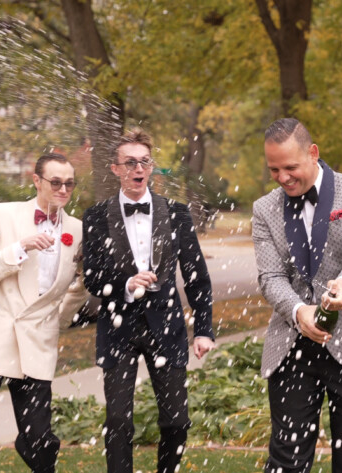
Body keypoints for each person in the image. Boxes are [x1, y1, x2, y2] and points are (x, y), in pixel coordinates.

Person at [253, 118, 342, 473]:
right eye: (274, 169)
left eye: (290, 167)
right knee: (286, 461)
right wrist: (298, 311)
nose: (283, 178)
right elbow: (270, 277)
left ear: (313, 153)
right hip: (291, 347)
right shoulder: (264, 209)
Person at [0, 153, 88, 473]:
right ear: (36, 180)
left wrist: (58, 319)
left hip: (38, 344)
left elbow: (83, 284)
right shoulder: (2, 214)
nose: (63, 189)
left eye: (69, 184)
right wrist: (20, 247)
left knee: (41, 441)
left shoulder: (78, 230)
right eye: (56, 182)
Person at [82, 128, 215, 473]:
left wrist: (203, 329)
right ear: (114, 169)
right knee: (118, 422)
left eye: (144, 161)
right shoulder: (96, 217)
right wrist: (125, 283)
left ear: (151, 167)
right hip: (117, 327)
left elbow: (197, 275)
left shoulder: (177, 212)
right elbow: (93, 279)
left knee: (177, 422)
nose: (138, 169)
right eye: (129, 163)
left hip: (166, 327)